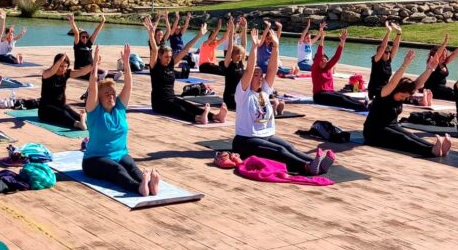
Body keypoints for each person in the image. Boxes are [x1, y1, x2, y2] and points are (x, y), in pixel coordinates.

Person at [232, 27, 332, 175]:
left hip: (266, 135)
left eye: (261, 75)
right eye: (257, 75)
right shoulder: (244, 94)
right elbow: (249, 70)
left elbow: (272, 69)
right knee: (280, 150)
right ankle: (306, 167)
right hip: (245, 140)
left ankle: (316, 162)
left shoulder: (264, 91)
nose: (261, 78)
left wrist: (276, 46)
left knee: (290, 147)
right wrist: (254, 47)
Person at [83, 44, 160, 195]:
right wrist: (95, 65)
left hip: (120, 154)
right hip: (94, 160)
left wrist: (126, 63)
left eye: (113, 93)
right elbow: (92, 88)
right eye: (106, 94)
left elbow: (129, 85)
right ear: (99, 98)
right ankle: (138, 187)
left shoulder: (119, 107)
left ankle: (149, 184)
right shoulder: (94, 111)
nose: (111, 96)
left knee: (132, 166)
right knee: (117, 170)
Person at [363, 49, 452, 157]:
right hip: (374, 131)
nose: (403, 99)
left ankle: (435, 147)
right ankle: (431, 151)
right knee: (402, 138)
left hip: (392, 126)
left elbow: (418, 83)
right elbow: (393, 82)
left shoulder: (403, 93)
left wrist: (430, 69)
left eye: (405, 97)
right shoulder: (385, 93)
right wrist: (405, 64)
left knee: (411, 135)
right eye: (402, 96)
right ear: (396, 89)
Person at [144, 17, 227, 124]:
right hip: (159, 103)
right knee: (179, 109)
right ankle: (198, 118)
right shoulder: (155, 66)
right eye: (166, 57)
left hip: (171, 98)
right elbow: (155, 50)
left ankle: (216, 116)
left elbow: (185, 49)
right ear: (160, 56)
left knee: (188, 105)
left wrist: (199, 36)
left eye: (170, 57)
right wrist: (151, 34)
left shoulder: (170, 65)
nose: (169, 59)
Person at [311, 26, 369, 111]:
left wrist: (342, 41)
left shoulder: (328, 67)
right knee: (341, 99)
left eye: (325, 60)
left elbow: (337, 56)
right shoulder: (315, 68)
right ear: (317, 61)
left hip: (330, 92)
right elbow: (319, 53)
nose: (324, 62)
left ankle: (364, 104)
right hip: (319, 96)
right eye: (321, 60)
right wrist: (322, 38)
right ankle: (362, 107)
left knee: (345, 96)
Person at [38, 52, 95, 129]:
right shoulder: (47, 74)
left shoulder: (66, 73)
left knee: (71, 112)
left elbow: (81, 72)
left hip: (60, 105)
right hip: (45, 109)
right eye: (61, 66)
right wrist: (59, 61)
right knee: (63, 113)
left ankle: (88, 123)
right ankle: (78, 124)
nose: (63, 69)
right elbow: (52, 71)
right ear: (56, 64)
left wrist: (94, 64)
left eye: (65, 66)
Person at [423, 33, 458, 101]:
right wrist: (444, 43)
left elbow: (454, 54)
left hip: (442, 88)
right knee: (454, 95)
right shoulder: (433, 63)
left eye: (445, 55)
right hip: (432, 89)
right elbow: (438, 53)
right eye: (442, 55)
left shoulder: (444, 63)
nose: (445, 56)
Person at [368, 21, 402, 99]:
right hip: (375, 90)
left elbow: (396, 46)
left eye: (389, 52)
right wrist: (388, 32)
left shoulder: (388, 60)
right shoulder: (376, 60)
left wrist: (399, 33)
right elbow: (383, 47)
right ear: (380, 53)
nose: (388, 54)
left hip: (385, 89)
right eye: (386, 53)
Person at [68, 12, 105, 80]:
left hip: (90, 67)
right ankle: (99, 77)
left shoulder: (89, 44)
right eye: (83, 37)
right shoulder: (77, 44)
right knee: (96, 74)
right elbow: (76, 33)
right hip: (80, 70)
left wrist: (102, 21)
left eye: (87, 37)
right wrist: (72, 21)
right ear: (80, 37)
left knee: (103, 71)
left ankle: (106, 75)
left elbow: (96, 32)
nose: (85, 38)